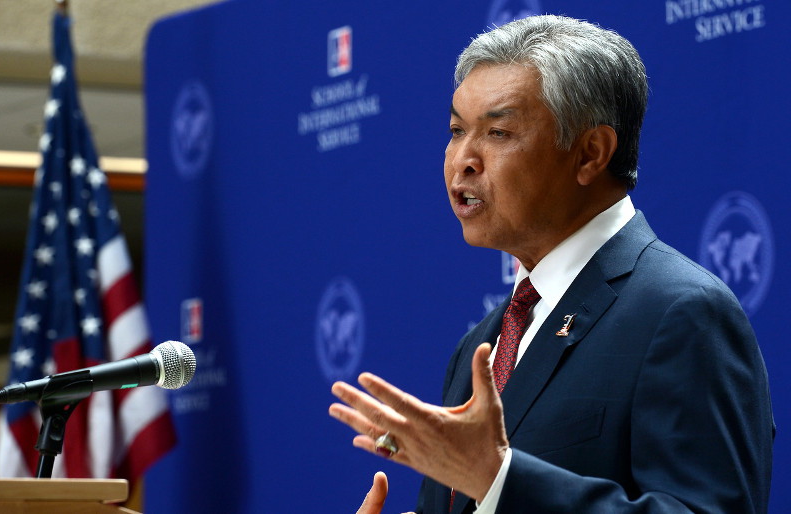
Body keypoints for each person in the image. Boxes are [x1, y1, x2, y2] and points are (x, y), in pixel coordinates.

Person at [329, 14, 774, 513]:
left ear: (590, 153)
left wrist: (501, 480)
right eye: (456, 130)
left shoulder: (683, 314)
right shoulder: (480, 345)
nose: (462, 160)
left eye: (497, 133)